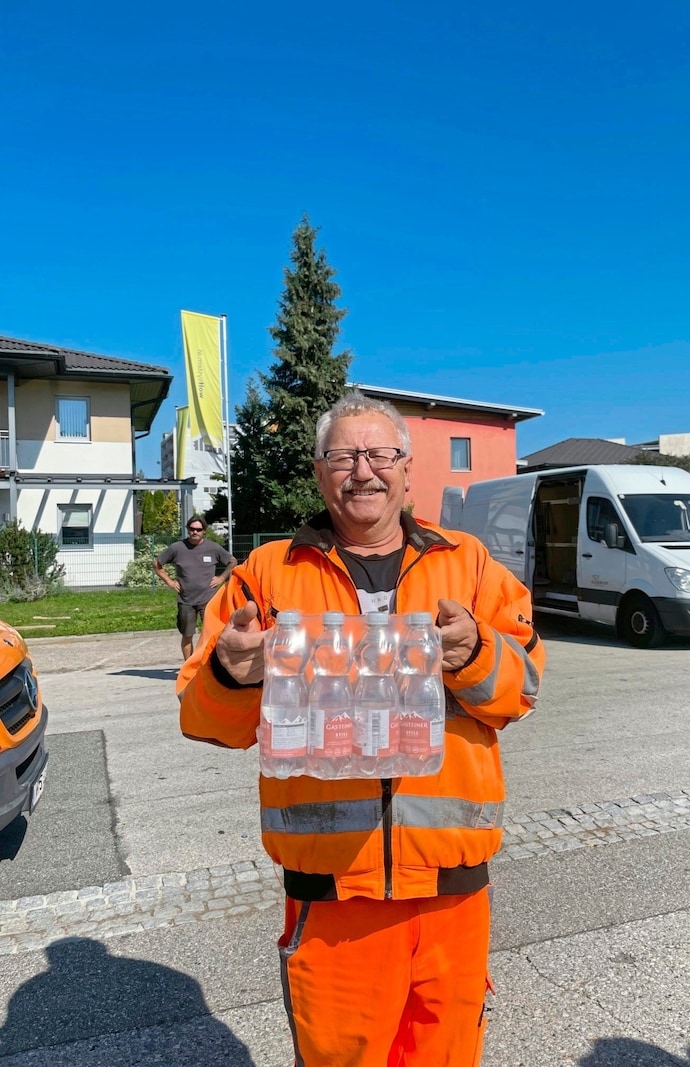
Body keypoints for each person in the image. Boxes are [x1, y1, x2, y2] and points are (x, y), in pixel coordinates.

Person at [177, 391, 546, 1066]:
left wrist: (477, 655)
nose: (363, 470)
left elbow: (524, 687)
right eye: (343, 455)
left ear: (408, 469)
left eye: (380, 454)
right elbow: (200, 715)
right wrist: (231, 672)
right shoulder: (266, 575)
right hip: (333, 903)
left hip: (451, 898)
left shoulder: (468, 565)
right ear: (320, 472)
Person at [153, 516, 237, 661]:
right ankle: (190, 667)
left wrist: (222, 577)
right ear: (188, 530)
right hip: (186, 600)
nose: (195, 532)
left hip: (208, 600)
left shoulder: (213, 548)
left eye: (198, 529)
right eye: (192, 529)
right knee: (187, 635)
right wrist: (170, 582)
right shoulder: (177, 548)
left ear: (204, 531)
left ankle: (209, 665)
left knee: (211, 633)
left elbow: (232, 561)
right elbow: (157, 564)